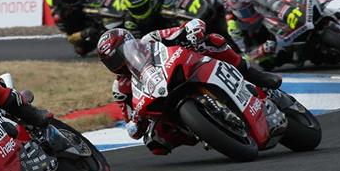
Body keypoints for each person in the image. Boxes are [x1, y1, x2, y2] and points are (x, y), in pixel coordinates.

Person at [97, 24, 282, 153]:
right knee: (156, 142)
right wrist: (135, 122)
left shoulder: (151, 39)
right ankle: (204, 131)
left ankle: (252, 73)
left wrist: (192, 31)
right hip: (159, 101)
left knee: (213, 41)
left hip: (182, 69)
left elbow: (184, 28)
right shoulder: (120, 88)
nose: (119, 61)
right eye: (113, 59)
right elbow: (130, 120)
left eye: (121, 52)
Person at [225, 0, 340, 69]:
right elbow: (246, 53)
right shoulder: (233, 26)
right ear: (235, 12)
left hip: (273, 12)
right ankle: (295, 53)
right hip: (265, 36)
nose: (251, 11)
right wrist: (261, 50)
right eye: (246, 11)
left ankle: (326, 12)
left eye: (252, 6)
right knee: (269, 64)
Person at [45, 0, 129, 55]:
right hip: (81, 23)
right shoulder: (61, 12)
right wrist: (85, 33)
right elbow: (71, 37)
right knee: (82, 48)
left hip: (88, 6)